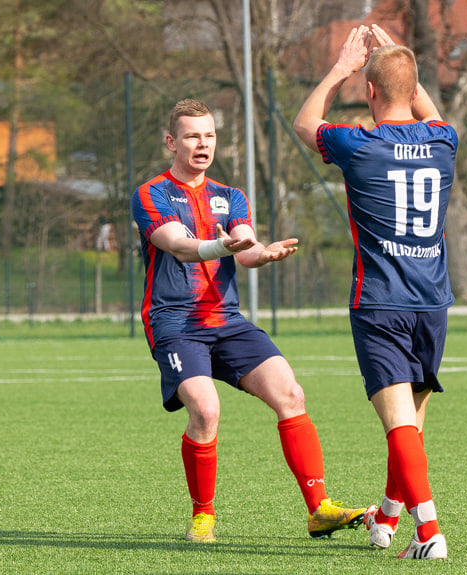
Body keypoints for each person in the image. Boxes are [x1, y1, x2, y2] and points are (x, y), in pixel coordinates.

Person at [132, 98, 366, 543]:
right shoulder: (152, 193)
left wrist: (264, 253)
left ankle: (319, 510)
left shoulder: (230, 195)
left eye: (209, 135)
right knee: (205, 410)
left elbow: (246, 245)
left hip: (227, 320)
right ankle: (203, 516)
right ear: (171, 142)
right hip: (175, 323)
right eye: (192, 136)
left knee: (291, 394)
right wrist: (229, 248)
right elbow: (178, 245)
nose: (203, 144)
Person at [293, 24, 457, 560]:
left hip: (382, 301)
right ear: (413, 89)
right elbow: (429, 114)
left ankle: (429, 532)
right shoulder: (444, 141)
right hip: (432, 301)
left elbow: (305, 122)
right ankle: (388, 515)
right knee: (408, 425)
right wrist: (399, 66)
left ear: (369, 92)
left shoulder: (358, 142)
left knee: (398, 425)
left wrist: (342, 67)